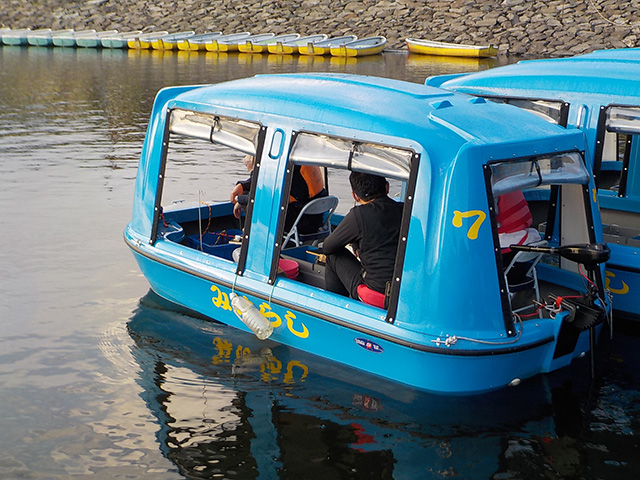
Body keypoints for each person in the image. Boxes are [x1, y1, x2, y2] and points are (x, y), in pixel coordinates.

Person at [323, 172, 403, 302]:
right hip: (402, 291)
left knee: (333, 256)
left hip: (377, 294)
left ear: (355, 196)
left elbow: (327, 247)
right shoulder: (404, 210)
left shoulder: (358, 215)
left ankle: (334, 306)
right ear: (387, 187)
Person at [230, 155, 327, 234]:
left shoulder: (288, 174)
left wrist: (240, 199)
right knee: (251, 195)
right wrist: (243, 185)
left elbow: (265, 198)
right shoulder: (298, 162)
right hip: (316, 218)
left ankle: (256, 238)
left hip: (302, 223)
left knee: (254, 203)